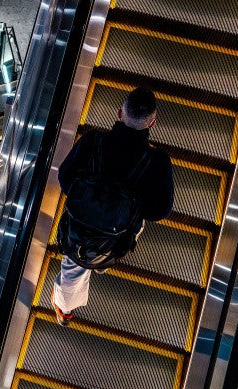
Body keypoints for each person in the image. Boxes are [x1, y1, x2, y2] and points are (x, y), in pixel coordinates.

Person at [52, 86, 173, 326]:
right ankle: (104, 261)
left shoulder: (92, 140)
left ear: (119, 113)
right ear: (152, 124)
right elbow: (160, 211)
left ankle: (65, 309)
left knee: (74, 266)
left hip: (81, 226)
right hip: (119, 232)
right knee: (114, 242)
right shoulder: (158, 160)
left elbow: (65, 178)